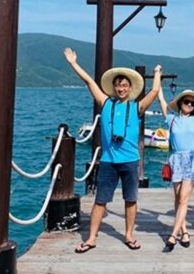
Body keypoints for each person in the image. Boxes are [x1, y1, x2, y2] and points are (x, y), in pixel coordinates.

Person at [63, 47, 162, 253]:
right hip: (108, 161)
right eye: (118, 85)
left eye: (124, 85)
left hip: (130, 160)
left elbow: (153, 92)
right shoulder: (105, 103)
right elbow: (89, 82)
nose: (121, 89)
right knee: (100, 201)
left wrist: (158, 74)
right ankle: (91, 238)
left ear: (130, 88)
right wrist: (73, 63)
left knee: (131, 199)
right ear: (114, 87)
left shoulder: (136, 107)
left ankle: (129, 235)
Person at [158, 72, 194, 253]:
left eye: (192, 103)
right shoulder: (172, 119)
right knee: (178, 199)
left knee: (183, 198)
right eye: (186, 102)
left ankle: (172, 237)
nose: (189, 105)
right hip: (176, 159)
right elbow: (159, 98)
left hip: (192, 159)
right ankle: (184, 231)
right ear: (180, 103)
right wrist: (158, 77)